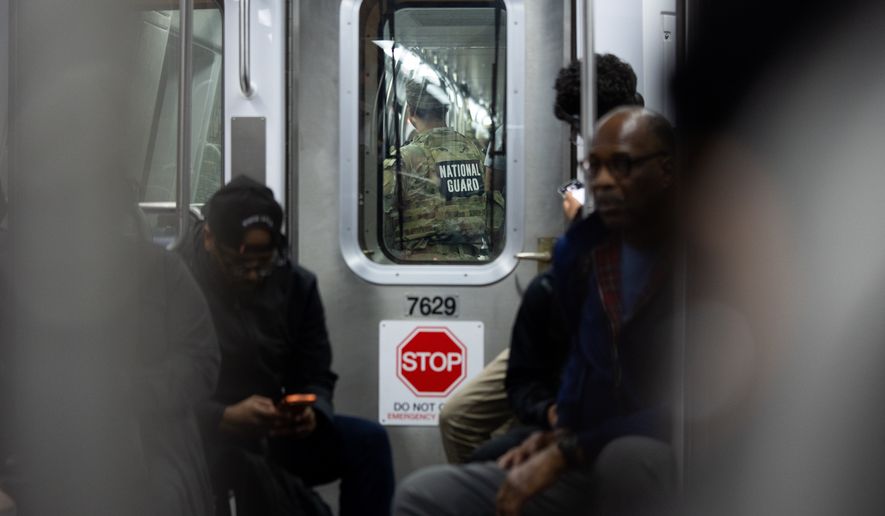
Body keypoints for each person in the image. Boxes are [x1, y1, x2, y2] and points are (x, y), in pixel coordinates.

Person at [394, 107, 678, 515]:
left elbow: (694, 412)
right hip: (582, 444)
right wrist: (559, 430)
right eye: (594, 167)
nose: (602, 181)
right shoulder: (583, 258)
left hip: (661, 451)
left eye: (622, 165)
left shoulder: (703, 261)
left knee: (627, 459)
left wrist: (572, 448)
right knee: (422, 494)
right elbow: (571, 376)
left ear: (667, 170)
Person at [438, 53, 645, 464]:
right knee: (458, 417)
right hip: (567, 329)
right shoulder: (566, 261)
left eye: (577, 127)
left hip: (603, 345)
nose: (576, 138)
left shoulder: (649, 165)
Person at [179, 176, 394, 516]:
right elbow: (157, 388)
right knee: (239, 467)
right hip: (202, 431)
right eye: (240, 265)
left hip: (270, 426)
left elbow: (315, 374)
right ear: (209, 239)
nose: (253, 276)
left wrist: (311, 412)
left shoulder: (295, 285)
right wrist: (221, 416)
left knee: (368, 443)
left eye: (262, 264)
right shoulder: (177, 286)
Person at [383, 79, 504, 261]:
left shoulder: (405, 160)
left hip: (418, 268)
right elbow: (494, 218)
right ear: (446, 110)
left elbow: (382, 226)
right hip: (470, 266)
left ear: (411, 112)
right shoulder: (476, 154)